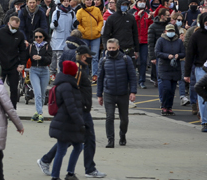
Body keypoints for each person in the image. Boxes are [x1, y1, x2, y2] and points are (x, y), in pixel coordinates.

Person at [38, 46, 105, 179]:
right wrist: (80, 117)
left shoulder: (78, 71)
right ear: (84, 57)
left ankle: (49, 162)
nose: (91, 58)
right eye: (89, 56)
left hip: (78, 112)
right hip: (79, 112)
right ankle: (85, 169)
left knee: (72, 142)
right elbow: (71, 98)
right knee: (83, 140)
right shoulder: (77, 73)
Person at [96, 39, 137, 148]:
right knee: (109, 117)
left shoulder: (126, 59)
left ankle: (122, 134)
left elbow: (132, 76)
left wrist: (133, 92)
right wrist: (99, 95)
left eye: (113, 48)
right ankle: (110, 140)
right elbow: (100, 78)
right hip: (109, 93)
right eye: (109, 48)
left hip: (123, 93)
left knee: (124, 119)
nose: (111, 50)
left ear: (118, 47)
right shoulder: (103, 60)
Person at [47, 60, 83, 180]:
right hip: (66, 123)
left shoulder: (64, 83)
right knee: (64, 149)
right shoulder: (67, 86)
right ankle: (59, 175)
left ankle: (67, 173)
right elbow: (71, 107)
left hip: (65, 123)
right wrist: (80, 123)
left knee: (73, 147)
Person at [0, 16, 27, 109]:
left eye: (17, 28)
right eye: (13, 27)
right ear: (8, 24)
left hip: (14, 65)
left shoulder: (19, 35)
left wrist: (22, 64)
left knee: (14, 89)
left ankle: (12, 110)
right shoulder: (0, 32)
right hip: (0, 64)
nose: (14, 29)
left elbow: (23, 50)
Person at [155, 24, 185, 116]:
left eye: (172, 31)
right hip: (164, 67)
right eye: (169, 31)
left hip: (175, 68)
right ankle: (164, 106)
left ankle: (169, 107)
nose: (170, 33)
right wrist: (167, 56)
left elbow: (183, 53)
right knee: (166, 88)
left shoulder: (179, 41)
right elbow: (157, 52)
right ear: (165, 31)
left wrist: (178, 55)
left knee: (172, 90)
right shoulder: (161, 40)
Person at [100, 0, 139, 64]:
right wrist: (107, 48)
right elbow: (106, 35)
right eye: (122, 5)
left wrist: (136, 50)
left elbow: (135, 34)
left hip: (129, 49)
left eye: (126, 5)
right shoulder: (111, 18)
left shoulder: (131, 18)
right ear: (118, 5)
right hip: (116, 49)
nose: (124, 6)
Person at [28, 28, 52, 122]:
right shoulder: (31, 46)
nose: (38, 39)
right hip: (34, 70)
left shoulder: (47, 46)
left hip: (44, 70)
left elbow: (49, 59)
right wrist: (21, 65)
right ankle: (40, 113)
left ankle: (37, 112)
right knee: (37, 93)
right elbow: (25, 56)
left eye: (40, 37)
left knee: (42, 94)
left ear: (44, 37)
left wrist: (41, 58)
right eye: (36, 37)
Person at [50, 0, 76, 77]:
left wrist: (75, 24)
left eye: (67, 1)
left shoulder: (72, 13)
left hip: (67, 38)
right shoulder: (57, 12)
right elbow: (51, 26)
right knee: (56, 57)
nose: (66, 3)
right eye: (64, 1)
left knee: (65, 58)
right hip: (57, 38)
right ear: (61, 2)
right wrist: (55, 24)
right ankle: (54, 74)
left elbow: (73, 26)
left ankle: (62, 74)